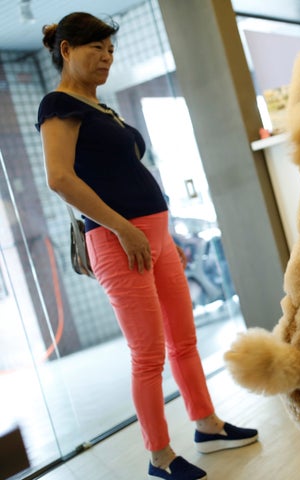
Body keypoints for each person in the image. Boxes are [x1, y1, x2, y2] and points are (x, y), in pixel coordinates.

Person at [36, 12, 257, 480]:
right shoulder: (58, 104)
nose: (107, 57)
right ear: (67, 50)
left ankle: (208, 426)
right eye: (96, 47)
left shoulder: (103, 107)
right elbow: (59, 179)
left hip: (155, 237)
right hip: (119, 242)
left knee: (185, 340)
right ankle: (159, 457)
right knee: (149, 354)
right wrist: (123, 228)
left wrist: (166, 236)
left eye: (111, 49)